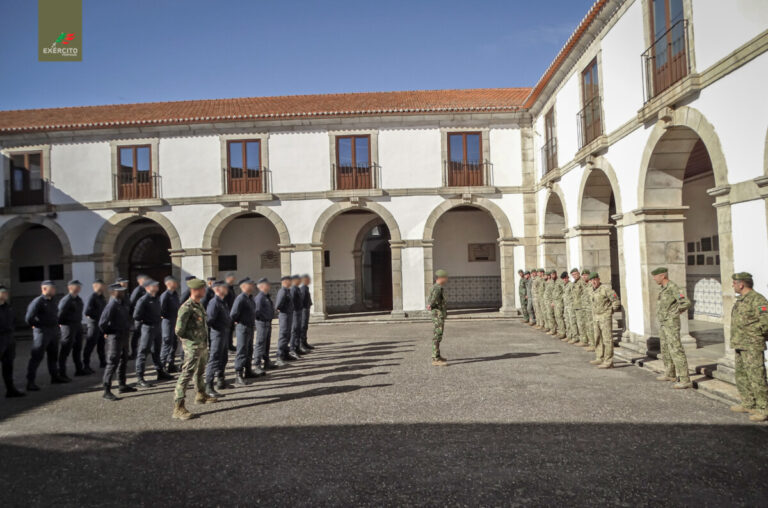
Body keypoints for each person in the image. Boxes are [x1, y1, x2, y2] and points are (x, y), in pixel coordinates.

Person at [173, 278, 217, 420]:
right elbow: (179, 330)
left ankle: (201, 395)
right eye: (202, 289)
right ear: (195, 290)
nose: (205, 291)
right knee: (186, 374)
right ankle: (178, 407)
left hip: (202, 345)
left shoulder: (199, 305)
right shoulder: (186, 307)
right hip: (193, 347)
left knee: (200, 371)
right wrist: (190, 341)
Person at [729, 272, 768, 422]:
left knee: (757, 377)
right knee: (742, 376)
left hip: (752, 345)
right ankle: (748, 403)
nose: (733, 286)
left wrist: (753, 334)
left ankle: (763, 409)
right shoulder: (741, 300)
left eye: (734, 283)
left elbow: (765, 322)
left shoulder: (757, 300)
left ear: (741, 284)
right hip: (740, 343)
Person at [652, 267, 692, 389]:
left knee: (676, 349)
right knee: (665, 348)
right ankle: (670, 373)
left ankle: (685, 379)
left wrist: (674, 312)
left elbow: (685, 302)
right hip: (664, 323)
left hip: (671, 324)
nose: (654, 279)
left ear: (662, 276)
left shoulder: (673, 287)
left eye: (655, 276)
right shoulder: (663, 289)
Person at [99, 283, 137, 401]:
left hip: (124, 335)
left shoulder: (122, 303)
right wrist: (109, 332)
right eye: (119, 291)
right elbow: (102, 323)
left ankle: (122, 385)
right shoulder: (112, 305)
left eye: (123, 291)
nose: (122, 293)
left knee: (123, 360)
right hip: (114, 337)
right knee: (112, 362)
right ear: (113, 292)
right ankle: (107, 390)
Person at [26, 280, 65, 391]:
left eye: (54, 288)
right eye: (52, 288)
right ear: (44, 289)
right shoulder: (38, 302)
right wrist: (37, 325)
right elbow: (29, 318)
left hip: (53, 332)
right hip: (42, 333)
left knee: (53, 356)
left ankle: (54, 376)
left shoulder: (52, 301)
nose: (54, 290)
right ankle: (30, 381)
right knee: (37, 356)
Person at [133, 279, 173, 387]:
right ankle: (140, 377)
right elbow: (136, 316)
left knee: (156, 351)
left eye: (157, 285)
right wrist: (147, 320)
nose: (156, 287)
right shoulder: (143, 300)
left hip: (157, 326)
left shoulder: (156, 299)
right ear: (147, 288)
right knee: (143, 352)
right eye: (154, 285)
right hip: (148, 327)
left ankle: (160, 372)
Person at [588, 273, 620, 369]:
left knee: (607, 339)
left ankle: (609, 361)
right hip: (596, 317)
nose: (593, 282)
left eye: (595, 279)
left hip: (604, 317)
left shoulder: (605, 289)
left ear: (599, 279)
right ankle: (600, 357)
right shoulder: (591, 290)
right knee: (597, 338)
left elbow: (616, 301)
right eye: (591, 280)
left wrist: (609, 312)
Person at [205, 281, 231, 398]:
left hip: (224, 333)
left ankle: (221, 381)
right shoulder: (214, 302)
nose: (226, 289)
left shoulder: (222, 302)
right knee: (214, 358)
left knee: (223, 357)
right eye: (224, 287)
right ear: (217, 289)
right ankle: (209, 386)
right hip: (217, 334)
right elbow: (209, 320)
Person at [230, 277, 256, 386]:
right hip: (243, 327)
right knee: (241, 350)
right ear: (244, 286)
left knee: (249, 349)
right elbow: (233, 314)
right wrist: (237, 321)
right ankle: (238, 375)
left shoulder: (250, 298)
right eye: (251, 284)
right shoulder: (240, 298)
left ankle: (248, 371)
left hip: (250, 327)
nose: (253, 286)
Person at [57, 280, 85, 377]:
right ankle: (61, 372)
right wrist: (61, 324)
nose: (79, 288)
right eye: (77, 286)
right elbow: (59, 314)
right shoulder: (66, 300)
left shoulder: (78, 299)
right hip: (68, 326)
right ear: (70, 288)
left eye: (79, 286)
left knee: (77, 348)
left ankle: (79, 369)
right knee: (65, 350)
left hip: (77, 326)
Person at [0, 286, 24, 397]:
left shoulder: (8, 307)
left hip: (9, 339)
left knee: (8, 365)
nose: (6, 294)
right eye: (3, 292)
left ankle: (10, 389)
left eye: (6, 292)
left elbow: (13, 320)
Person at [82, 279, 106, 372]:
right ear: (96, 286)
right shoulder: (92, 297)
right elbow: (87, 312)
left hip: (101, 325)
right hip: (93, 324)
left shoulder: (102, 297)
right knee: (90, 344)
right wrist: (96, 317)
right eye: (102, 285)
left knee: (101, 344)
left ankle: (102, 361)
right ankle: (86, 364)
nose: (104, 287)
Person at [160, 276, 181, 373]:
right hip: (168, 322)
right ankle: (162, 366)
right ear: (168, 284)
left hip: (175, 321)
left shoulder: (175, 294)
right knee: (167, 343)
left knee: (174, 344)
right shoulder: (165, 295)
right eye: (174, 283)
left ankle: (171, 364)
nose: (176, 284)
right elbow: (161, 311)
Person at [253, 278, 275, 373]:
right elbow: (256, 311)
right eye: (267, 284)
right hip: (262, 322)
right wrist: (262, 318)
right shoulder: (260, 298)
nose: (269, 286)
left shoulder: (266, 296)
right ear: (262, 286)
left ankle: (266, 361)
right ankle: (257, 364)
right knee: (260, 343)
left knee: (266, 343)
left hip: (267, 322)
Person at [428, 269, 449, 366]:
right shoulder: (437, 288)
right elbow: (433, 300)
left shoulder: (436, 287)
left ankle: (437, 355)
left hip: (437, 313)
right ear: (441, 278)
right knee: (437, 335)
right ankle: (435, 358)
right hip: (438, 314)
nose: (446, 279)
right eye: (445, 277)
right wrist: (430, 305)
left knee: (437, 335)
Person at [275, 276, 294, 366]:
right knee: (283, 334)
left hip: (288, 315)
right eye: (290, 281)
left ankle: (285, 353)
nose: (291, 283)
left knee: (287, 334)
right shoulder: (282, 291)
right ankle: (280, 356)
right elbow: (278, 304)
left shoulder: (287, 291)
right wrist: (279, 309)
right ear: (285, 282)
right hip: (284, 315)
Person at [128, 273, 148, 359]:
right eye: (145, 280)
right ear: (140, 281)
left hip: (145, 316)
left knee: (145, 333)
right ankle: (134, 352)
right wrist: (136, 315)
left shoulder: (145, 289)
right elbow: (131, 303)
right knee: (136, 334)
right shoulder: (138, 290)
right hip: (139, 317)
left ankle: (145, 349)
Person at [567, 269, 584, 346]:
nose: (574, 276)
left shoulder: (582, 282)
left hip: (581, 306)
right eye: (573, 275)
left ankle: (583, 340)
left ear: (579, 273)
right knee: (575, 323)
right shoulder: (574, 283)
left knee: (581, 324)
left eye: (575, 274)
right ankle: (576, 338)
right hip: (574, 306)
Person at [579, 269, 595, 351]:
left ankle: (593, 344)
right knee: (587, 326)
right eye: (583, 275)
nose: (584, 276)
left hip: (591, 309)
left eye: (586, 275)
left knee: (591, 327)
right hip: (584, 308)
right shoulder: (582, 284)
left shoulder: (591, 284)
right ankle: (590, 342)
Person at [289, 275, 304, 358]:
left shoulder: (297, 289)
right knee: (294, 330)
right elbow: (292, 301)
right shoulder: (293, 289)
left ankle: (297, 347)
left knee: (298, 330)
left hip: (299, 311)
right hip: (295, 312)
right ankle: (292, 349)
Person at [300, 274, 314, 350]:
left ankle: (304, 342)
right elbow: (301, 300)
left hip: (306, 308)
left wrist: (310, 304)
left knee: (305, 326)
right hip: (304, 309)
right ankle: (301, 343)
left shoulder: (306, 288)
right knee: (303, 326)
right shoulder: (303, 289)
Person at [224, 272, 237, 352]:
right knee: (228, 330)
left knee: (231, 329)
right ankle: (227, 345)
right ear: (228, 279)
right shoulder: (226, 288)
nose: (234, 280)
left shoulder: (231, 288)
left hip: (231, 311)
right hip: (228, 312)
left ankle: (230, 344)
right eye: (233, 278)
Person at [551, 270, 566, 339]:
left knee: (559, 316)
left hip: (559, 302)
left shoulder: (560, 281)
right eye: (551, 274)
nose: (552, 276)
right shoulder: (553, 282)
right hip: (555, 302)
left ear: (556, 274)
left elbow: (564, 290)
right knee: (557, 316)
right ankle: (560, 331)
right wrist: (553, 301)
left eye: (553, 274)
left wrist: (561, 299)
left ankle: (563, 333)